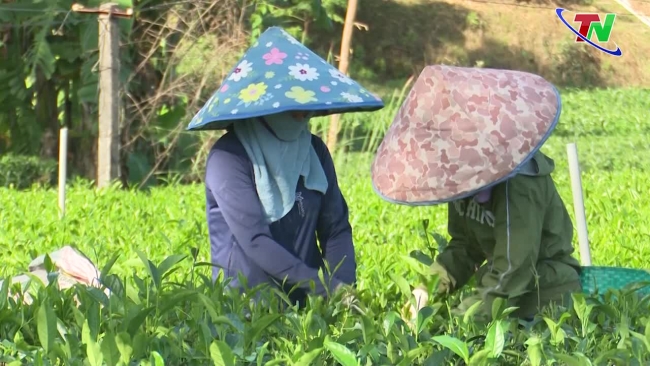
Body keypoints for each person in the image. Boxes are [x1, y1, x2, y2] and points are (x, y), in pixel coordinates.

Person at [186, 27, 384, 307]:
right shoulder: (229, 157)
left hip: (307, 306)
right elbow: (254, 238)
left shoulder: (314, 151)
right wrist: (323, 288)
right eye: (291, 107)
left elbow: (336, 228)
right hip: (245, 310)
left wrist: (344, 287)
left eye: (305, 106)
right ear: (264, 105)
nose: (302, 115)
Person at [370, 65, 582, 321]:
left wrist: (462, 318)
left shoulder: (520, 184)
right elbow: (464, 247)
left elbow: (515, 267)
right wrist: (426, 290)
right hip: (499, 289)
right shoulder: (461, 175)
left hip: (542, 297)